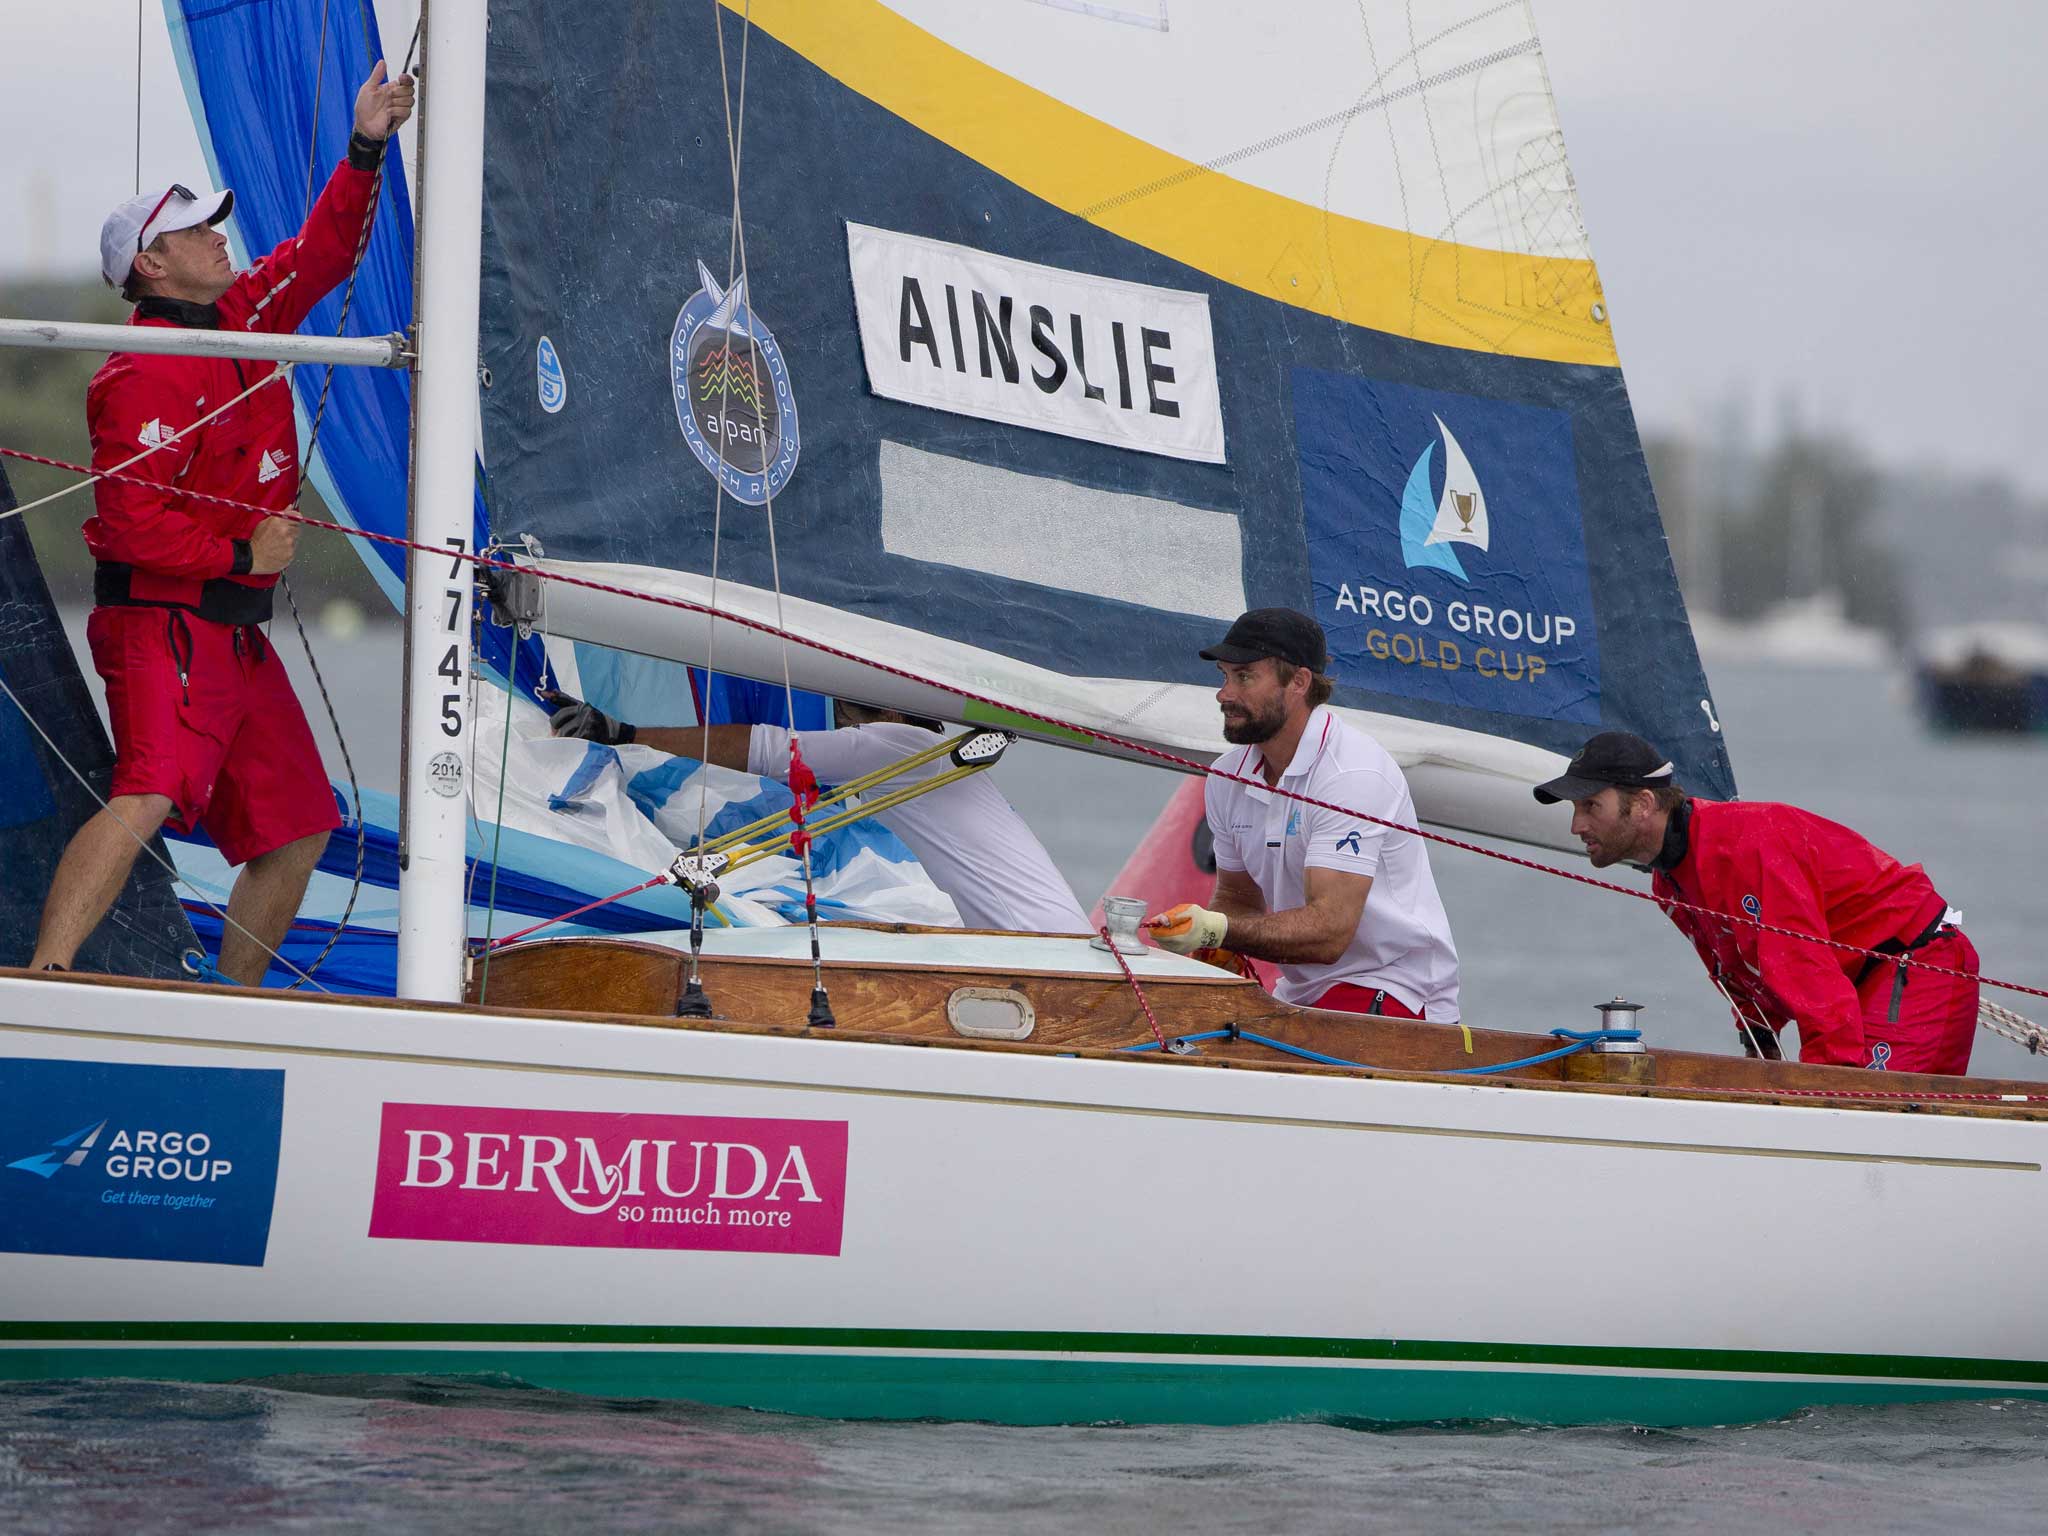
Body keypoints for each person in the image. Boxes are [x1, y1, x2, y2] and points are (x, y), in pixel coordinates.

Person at [28, 64, 416, 986]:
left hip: (237, 637)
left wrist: (365, 145)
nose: (216, 236)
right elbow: (128, 527)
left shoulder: (247, 315)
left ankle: (231, 1005)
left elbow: (324, 251)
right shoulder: (133, 375)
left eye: (212, 223)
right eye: (193, 230)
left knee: (300, 825)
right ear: (149, 266)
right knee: (149, 789)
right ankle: (43, 980)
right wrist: (242, 550)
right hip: (161, 625)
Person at [1534, 730, 1978, 1074]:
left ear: (1644, 804)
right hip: (1857, 980)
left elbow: (1810, 980)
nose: (1577, 825)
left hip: (1915, 964)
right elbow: (1737, 969)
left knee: (1869, 1115)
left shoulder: (1747, 849)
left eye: (1591, 805)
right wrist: (1759, 1044)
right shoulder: (1668, 883)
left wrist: (1822, 1095)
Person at [546, 693, 1093, 934]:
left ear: (889, 708)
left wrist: (627, 735)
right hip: (1054, 944)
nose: (839, 720)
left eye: (845, 707)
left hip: (1039, 955)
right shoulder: (943, 766)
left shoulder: (893, 743)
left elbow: (763, 748)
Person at [1148, 608, 1461, 1020]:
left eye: (1243, 677)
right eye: (1223, 676)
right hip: (1300, 989)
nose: (1224, 694)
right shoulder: (1226, 776)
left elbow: (1329, 933)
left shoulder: (1352, 773)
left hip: (1394, 986)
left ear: (1298, 682)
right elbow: (1238, 899)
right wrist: (1214, 943)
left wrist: (1216, 929)